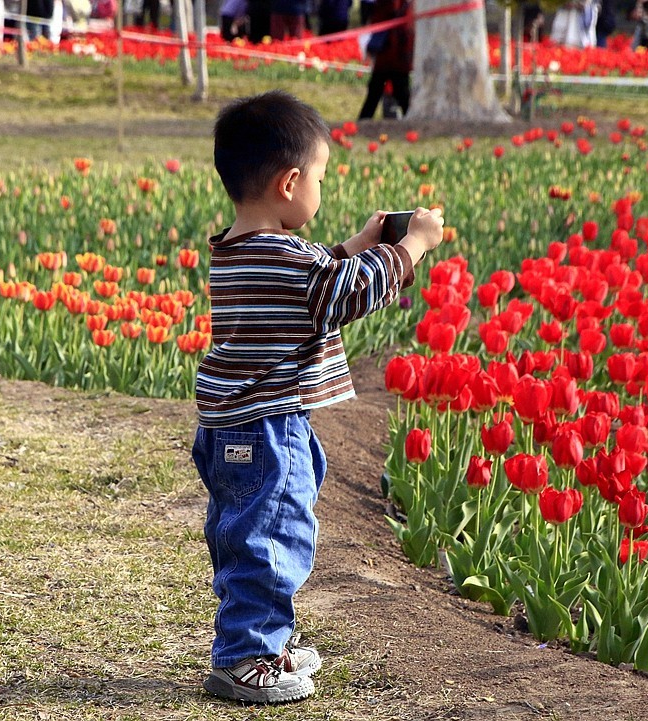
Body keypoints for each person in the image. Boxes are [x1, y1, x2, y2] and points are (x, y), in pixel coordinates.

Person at [193, 90, 444, 705]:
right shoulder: (282, 259)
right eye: (322, 178)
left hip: (238, 426)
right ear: (291, 181)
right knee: (270, 535)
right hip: (265, 429)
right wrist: (410, 247)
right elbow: (344, 293)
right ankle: (245, 657)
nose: (322, 191)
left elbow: (314, 277)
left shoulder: (237, 250)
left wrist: (358, 244)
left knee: (251, 531)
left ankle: (263, 641)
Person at [358, 0, 413, 119]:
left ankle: (364, 120)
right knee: (379, 92)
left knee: (392, 92)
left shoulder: (395, 6)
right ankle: (364, 120)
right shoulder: (404, 6)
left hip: (393, 55)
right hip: (392, 56)